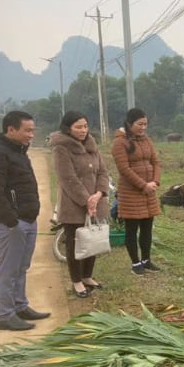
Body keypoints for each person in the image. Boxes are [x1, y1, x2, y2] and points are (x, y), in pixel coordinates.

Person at [0, 110, 50, 330]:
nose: (31, 135)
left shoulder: (18, 151)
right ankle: (5, 315)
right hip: (11, 223)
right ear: (11, 129)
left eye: (32, 130)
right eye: (27, 131)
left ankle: (20, 305)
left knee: (21, 266)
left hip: (27, 219)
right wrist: (11, 221)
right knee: (9, 268)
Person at [49, 111, 110, 298]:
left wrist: (99, 194)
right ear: (68, 128)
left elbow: (103, 172)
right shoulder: (61, 148)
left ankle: (87, 276)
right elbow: (68, 179)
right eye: (78, 127)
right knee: (75, 242)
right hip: (73, 204)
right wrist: (87, 200)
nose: (83, 130)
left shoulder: (92, 145)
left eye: (85, 126)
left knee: (92, 239)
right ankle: (76, 281)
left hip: (95, 200)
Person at [111, 108, 161, 275]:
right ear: (130, 123)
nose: (143, 127)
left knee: (147, 227)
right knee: (132, 229)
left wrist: (155, 181)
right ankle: (135, 263)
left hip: (149, 192)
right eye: (140, 124)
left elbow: (155, 162)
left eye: (145, 124)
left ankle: (146, 260)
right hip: (131, 192)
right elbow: (124, 169)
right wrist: (143, 185)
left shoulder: (146, 140)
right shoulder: (120, 142)